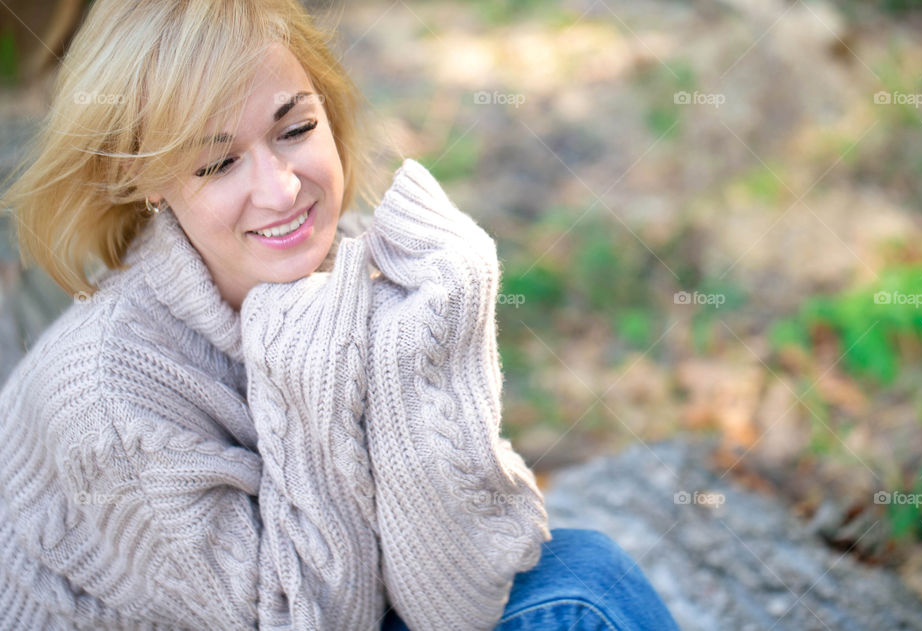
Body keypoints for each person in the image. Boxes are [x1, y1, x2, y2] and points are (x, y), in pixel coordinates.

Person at [0, 1, 681, 629]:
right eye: (218, 163)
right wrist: (311, 382)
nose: (281, 188)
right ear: (147, 180)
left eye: (294, 129)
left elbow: (456, 596)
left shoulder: (344, 268)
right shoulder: (108, 395)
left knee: (581, 574)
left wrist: (441, 329)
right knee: (583, 595)